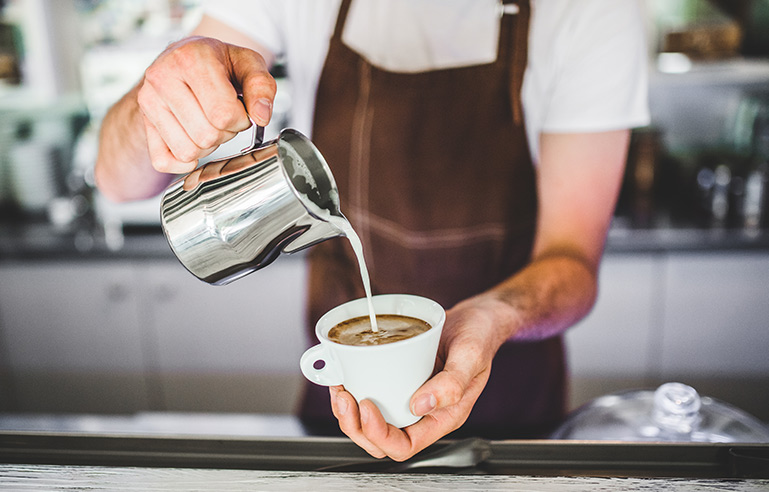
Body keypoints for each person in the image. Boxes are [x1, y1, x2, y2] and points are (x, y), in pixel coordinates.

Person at [95, 0, 649, 461]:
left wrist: (494, 316)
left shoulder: (591, 11)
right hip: (345, 407)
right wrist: (163, 93)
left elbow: (572, 260)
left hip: (510, 411)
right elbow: (116, 179)